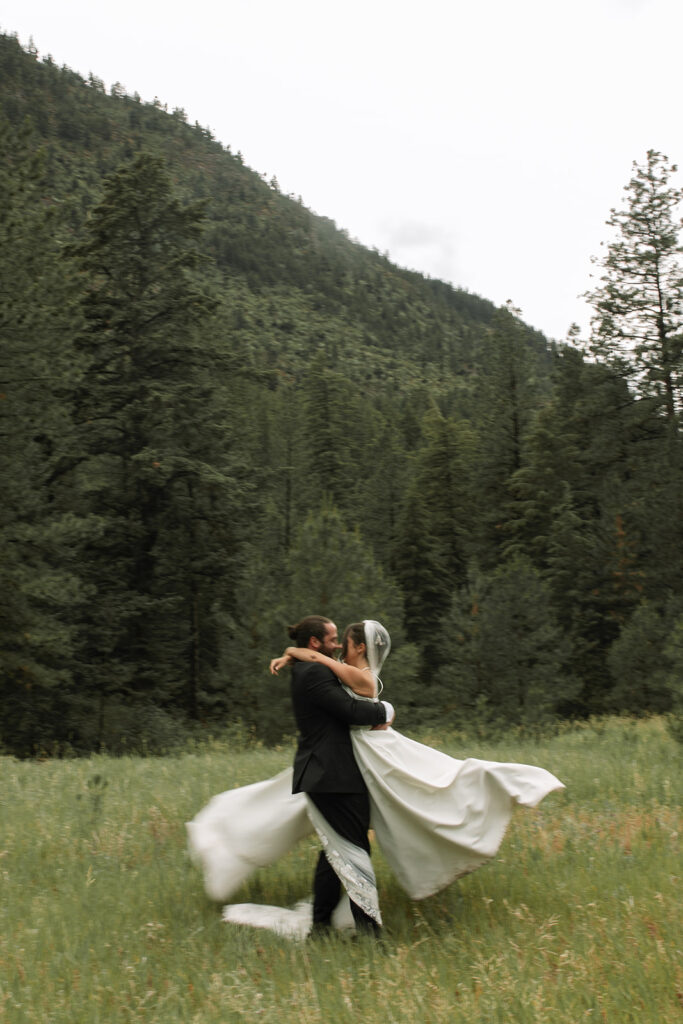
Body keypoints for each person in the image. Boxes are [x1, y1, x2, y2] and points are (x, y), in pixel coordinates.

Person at [187, 618, 564, 939]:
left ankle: (324, 924)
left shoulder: (321, 666)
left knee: (339, 849)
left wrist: (299, 653)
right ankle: (365, 930)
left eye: (342, 641)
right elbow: (353, 710)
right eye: (332, 640)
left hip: (344, 770)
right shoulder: (316, 672)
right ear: (318, 641)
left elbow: (358, 690)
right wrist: (385, 708)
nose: (338, 646)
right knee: (351, 849)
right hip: (331, 773)